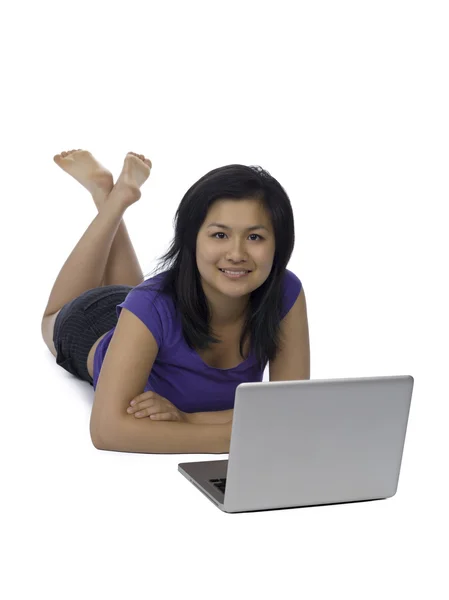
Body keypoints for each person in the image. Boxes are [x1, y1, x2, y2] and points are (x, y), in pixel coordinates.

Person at [41, 150, 304, 425]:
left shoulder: (285, 291)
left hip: (148, 312)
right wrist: (246, 430)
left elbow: (289, 408)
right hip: (91, 322)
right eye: (220, 235)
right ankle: (111, 199)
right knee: (52, 317)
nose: (237, 253)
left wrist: (186, 420)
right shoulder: (150, 304)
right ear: (192, 240)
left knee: (139, 296)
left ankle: (111, 194)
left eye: (254, 236)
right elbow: (108, 429)